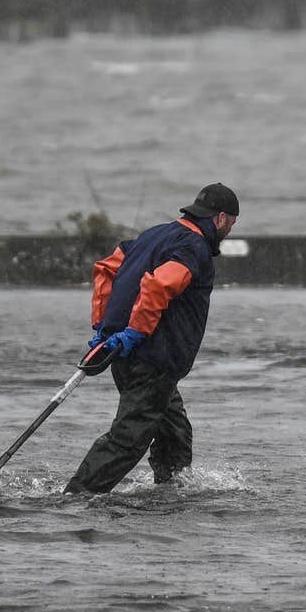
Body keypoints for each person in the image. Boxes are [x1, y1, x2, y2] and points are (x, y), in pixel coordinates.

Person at [66, 182, 239, 493]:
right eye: (232, 224)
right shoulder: (194, 248)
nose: (229, 231)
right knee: (128, 440)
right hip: (152, 361)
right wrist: (134, 331)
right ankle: (76, 497)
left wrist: (103, 327)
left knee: (175, 432)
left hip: (130, 356)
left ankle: (170, 490)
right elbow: (160, 285)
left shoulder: (153, 235)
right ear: (221, 218)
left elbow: (106, 270)